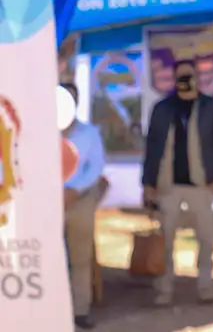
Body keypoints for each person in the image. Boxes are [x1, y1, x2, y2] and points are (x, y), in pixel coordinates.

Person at [141, 59, 213, 306]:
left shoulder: (210, 106)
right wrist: (148, 182)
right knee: (166, 238)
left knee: (206, 237)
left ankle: (205, 286)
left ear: (197, 78)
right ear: (173, 78)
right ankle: (164, 288)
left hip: (201, 183)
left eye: (189, 76)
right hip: (167, 184)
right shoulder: (162, 108)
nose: (185, 81)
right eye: (180, 76)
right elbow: (151, 145)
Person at [61, 83, 106, 330]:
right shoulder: (39, 132)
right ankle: (52, 308)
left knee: (80, 258)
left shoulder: (89, 134)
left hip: (80, 202)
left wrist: (73, 190)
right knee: (50, 258)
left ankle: (80, 311)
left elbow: (96, 167)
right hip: (47, 205)